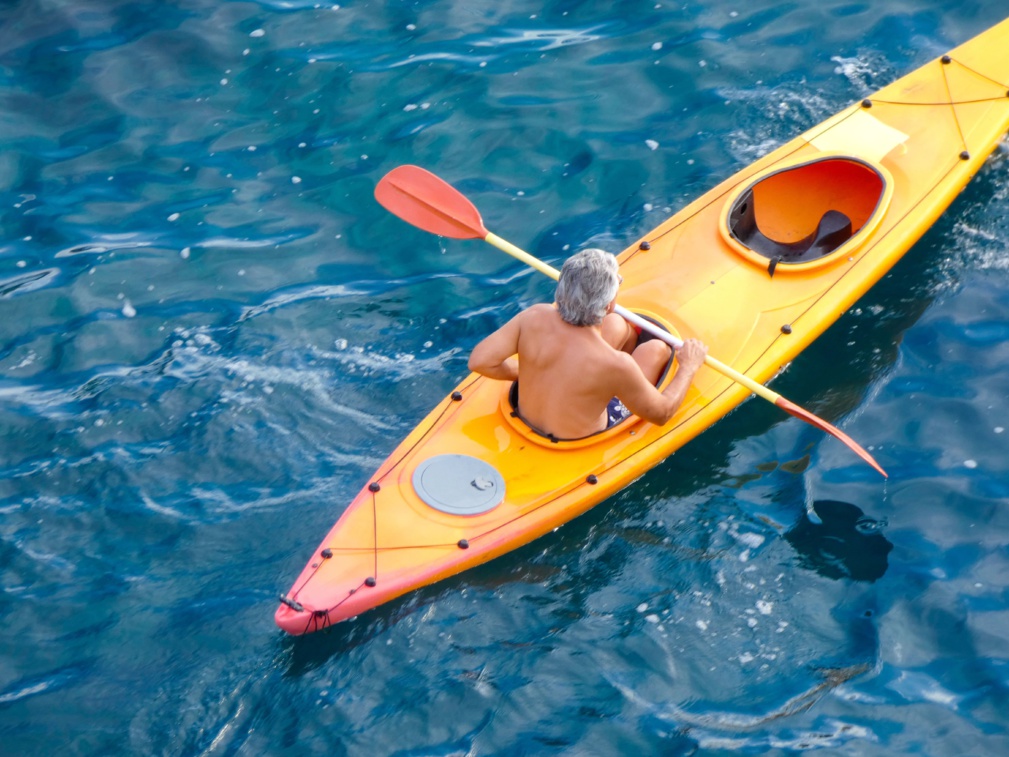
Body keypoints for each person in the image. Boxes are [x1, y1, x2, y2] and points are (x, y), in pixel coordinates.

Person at [468, 247, 708, 440]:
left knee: (616, 325)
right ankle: (619, 386)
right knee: (656, 350)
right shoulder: (616, 365)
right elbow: (662, 413)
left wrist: (532, 372)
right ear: (608, 304)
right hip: (579, 436)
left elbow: (480, 362)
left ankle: (604, 383)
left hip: (525, 415)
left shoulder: (533, 317)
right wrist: (689, 365)